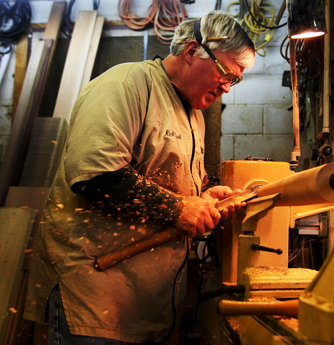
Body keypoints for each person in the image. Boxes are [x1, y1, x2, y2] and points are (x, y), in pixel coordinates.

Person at [24, 11, 255, 345]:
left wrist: (204, 196)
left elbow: (171, 183)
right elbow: (94, 174)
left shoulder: (194, 115)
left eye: (235, 80)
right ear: (192, 51)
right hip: (96, 295)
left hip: (148, 304)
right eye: (225, 73)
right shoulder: (127, 84)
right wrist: (179, 209)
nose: (227, 88)